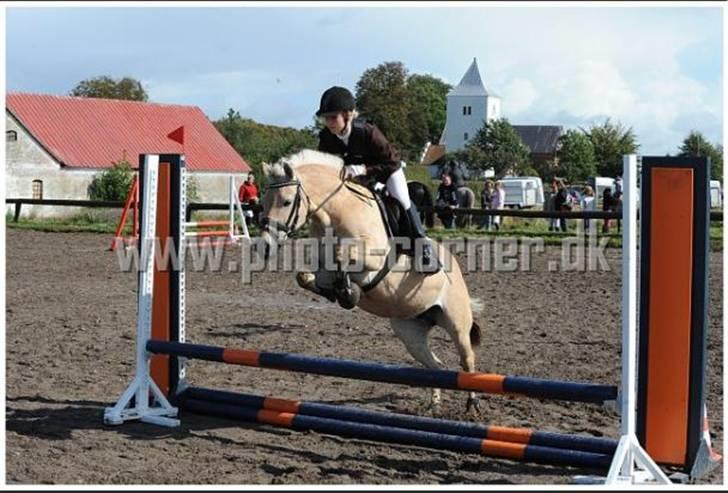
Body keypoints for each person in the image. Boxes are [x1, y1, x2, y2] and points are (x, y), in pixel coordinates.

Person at [315, 86, 436, 272]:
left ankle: (423, 245)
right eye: (326, 118)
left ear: (347, 115)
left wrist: (364, 169)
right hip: (354, 179)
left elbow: (392, 161)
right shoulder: (326, 137)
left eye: (333, 117)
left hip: (386, 172)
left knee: (401, 199)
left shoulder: (367, 131)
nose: (329, 122)